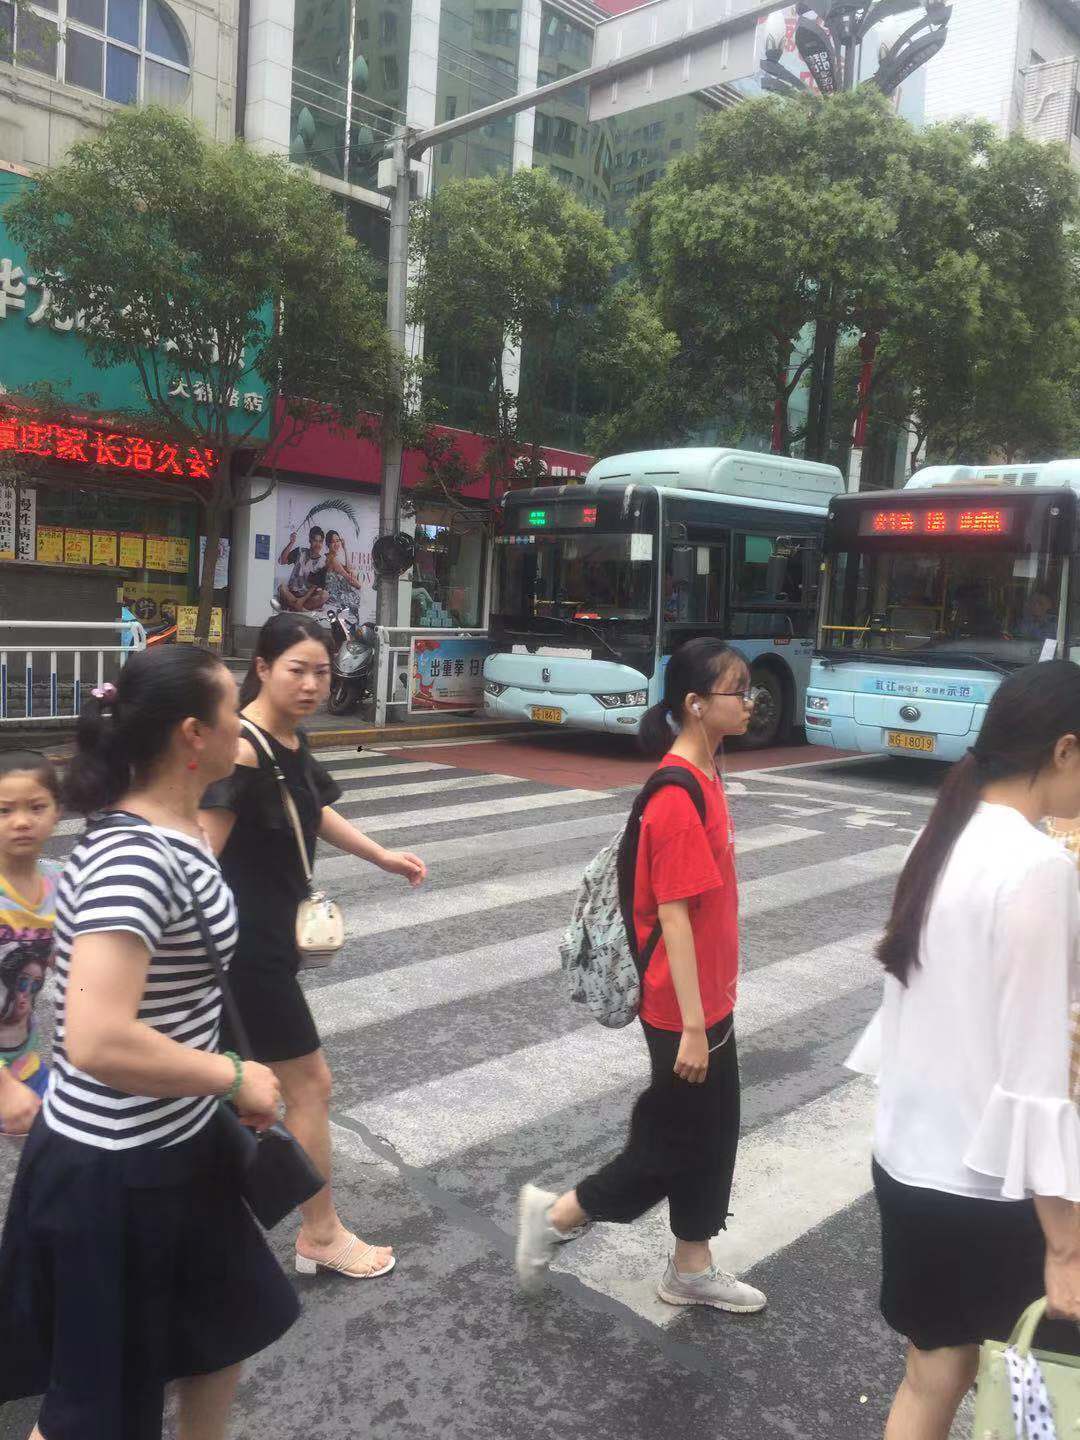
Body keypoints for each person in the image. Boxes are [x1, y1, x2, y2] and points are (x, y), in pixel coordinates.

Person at [0, 648, 298, 1440]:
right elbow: (98, 1038)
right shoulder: (135, 856)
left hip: (176, 1144)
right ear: (194, 734)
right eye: (234, 709)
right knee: (95, 1411)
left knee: (221, 1333)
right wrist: (230, 1075)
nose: (245, 724)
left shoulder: (176, 831)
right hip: (117, 1171)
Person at [849, 660, 1080, 1440]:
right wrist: (1066, 1245)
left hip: (910, 1163)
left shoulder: (944, 831)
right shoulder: (1038, 866)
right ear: (1064, 750)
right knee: (1033, 1397)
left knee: (932, 1377)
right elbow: (1035, 1071)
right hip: (991, 1190)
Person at [515, 638, 766, 1315]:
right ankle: (557, 1217)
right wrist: (693, 1027)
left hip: (707, 996)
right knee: (671, 1145)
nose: (750, 701)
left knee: (710, 1135)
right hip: (683, 1007)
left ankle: (691, 1265)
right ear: (696, 704)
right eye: (738, 690)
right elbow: (675, 919)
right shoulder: (678, 795)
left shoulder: (707, 772)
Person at [200, 613, 426, 1280]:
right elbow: (200, 857)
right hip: (245, 955)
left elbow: (313, 808)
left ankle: (190, 1232)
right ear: (262, 667)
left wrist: (381, 856)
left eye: (321, 672)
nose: (310, 684)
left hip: (269, 945)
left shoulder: (286, 741)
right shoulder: (242, 747)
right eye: (296, 670)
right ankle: (321, 1234)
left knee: (227, 1097)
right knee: (307, 1087)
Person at [0, 751, 61, 1136]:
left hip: (23, 1059)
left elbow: (74, 970)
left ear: (57, 812)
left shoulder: (59, 882)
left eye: (36, 807)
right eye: (4, 811)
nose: (21, 821)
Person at [277, 525, 329, 613]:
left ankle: (294, 606)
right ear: (310, 540)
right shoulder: (300, 551)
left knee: (325, 595)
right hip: (292, 593)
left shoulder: (322, 562)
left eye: (320, 541)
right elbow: (282, 561)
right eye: (315, 541)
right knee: (282, 588)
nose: (318, 544)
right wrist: (291, 542)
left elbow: (314, 587)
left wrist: (302, 600)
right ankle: (301, 609)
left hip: (306, 597)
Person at [323, 529, 364, 612]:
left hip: (335, 592)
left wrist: (344, 548)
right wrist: (360, 587)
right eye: (333, 542)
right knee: (358, 594)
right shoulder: (333, 560)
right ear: (328, 544)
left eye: (337, 541)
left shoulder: (330, 557)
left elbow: (348, 569)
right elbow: (348, 577)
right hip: (333, 595)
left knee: (352, 573)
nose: (336, 544)